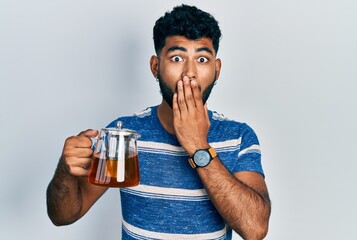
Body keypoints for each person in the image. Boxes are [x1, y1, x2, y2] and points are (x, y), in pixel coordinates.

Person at [46, 4, 271, 240]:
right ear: (155, 66)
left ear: (216, 69)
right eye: (176, 57)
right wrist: (65, 171)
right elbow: (64, 215)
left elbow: (255, 229)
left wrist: (198, 147)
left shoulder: (238, 136)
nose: (189, 73)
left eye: (202, 59)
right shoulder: (124, 135)